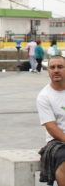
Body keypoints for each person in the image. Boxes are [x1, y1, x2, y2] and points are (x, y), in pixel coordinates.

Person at [37, 55, 65, 185]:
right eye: (52, 67)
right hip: (58, 141)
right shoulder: (44, 96)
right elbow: (51, 127)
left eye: (60, 67)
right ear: (48, 71)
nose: (56, 70)